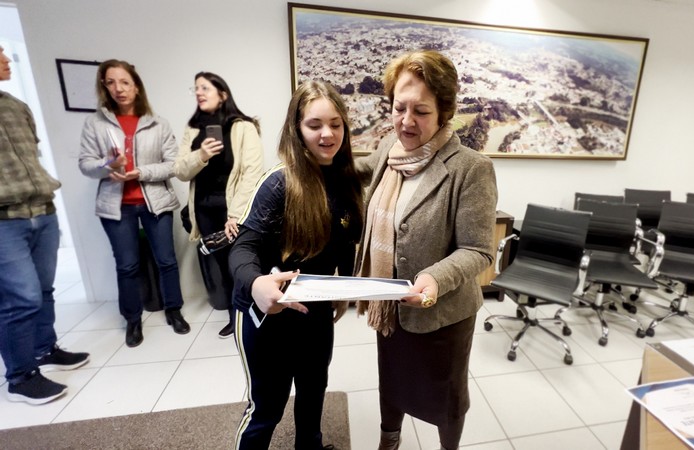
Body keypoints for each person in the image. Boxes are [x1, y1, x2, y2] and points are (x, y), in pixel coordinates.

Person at [354, 50, 498, 450]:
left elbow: (478, 250)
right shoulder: (390, 148)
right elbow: (355, 170)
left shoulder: (471, 168)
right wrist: (315, 153)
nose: (406, 121)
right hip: (391, 305)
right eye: (399, 108)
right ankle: (390, 437)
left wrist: (435, 277)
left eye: (420, 111)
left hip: (441, 314)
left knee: (445, 399)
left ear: (444, 113)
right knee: (391, 382)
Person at [229, 80, 363, 450]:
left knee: (313, 389)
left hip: (314, 308)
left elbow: (346, 241)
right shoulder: (279, 183)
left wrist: (344, 289)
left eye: (335, 124)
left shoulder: (347, 182)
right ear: (296, 129)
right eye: (314, 125)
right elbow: (242, 248)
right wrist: (256, 284)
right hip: (266, 311)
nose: (327, 134)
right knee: (267, 407)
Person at [0, 45, 90, 405]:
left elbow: (32, 154)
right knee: (19, 299)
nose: (6, 59)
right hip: (5, 220)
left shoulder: (16, 106)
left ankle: (44, 349)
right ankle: (21, 377)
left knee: (44, 290)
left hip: (42, 210)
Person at [78, 59, 189, 348]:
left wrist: (141, 172)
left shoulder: (158, 123)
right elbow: (86, 164)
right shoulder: (95, 123)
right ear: (104, 87)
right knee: (127, 266)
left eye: (125, 82)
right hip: (117, 207)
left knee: (167, 261)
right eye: (111, 82)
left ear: (136, 86)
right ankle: (132, 320)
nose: (119, 88)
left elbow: (173, 165)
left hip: (156, 203)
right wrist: (107, 164)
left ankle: (174, 310)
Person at [175, 72, 264, 338]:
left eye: (205, 88)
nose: (199, 93)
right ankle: (234, 317)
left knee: (241, 265)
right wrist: (201, 155)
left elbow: (252, 172)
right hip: (204, 210)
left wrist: (235, 214)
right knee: (222, 267)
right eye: (196, 88)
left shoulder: (244, 127)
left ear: (222, 94)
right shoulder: (193, 130)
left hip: (233, 211)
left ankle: (252, 316)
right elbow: (180, 171)